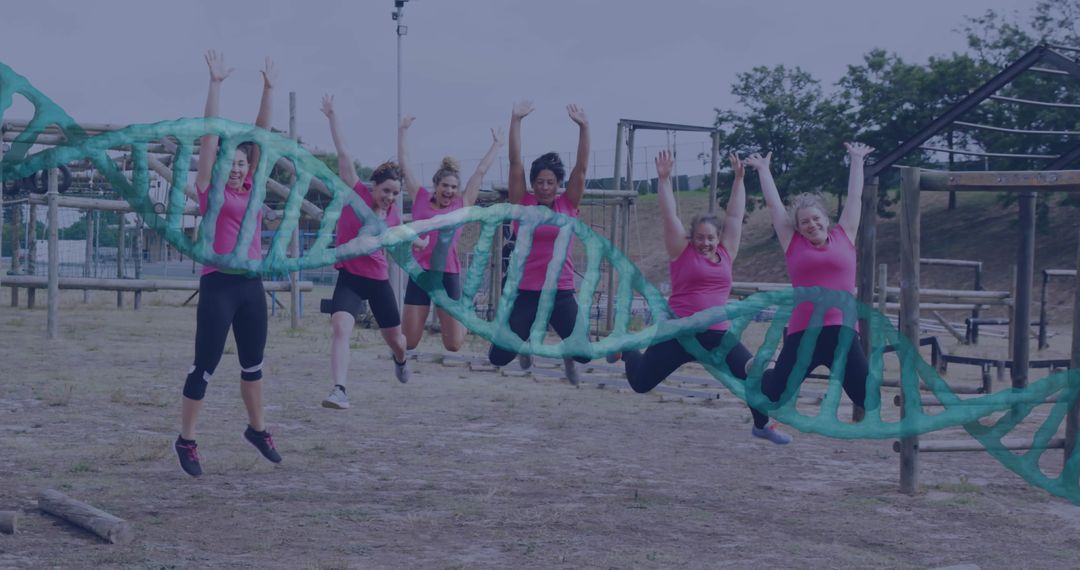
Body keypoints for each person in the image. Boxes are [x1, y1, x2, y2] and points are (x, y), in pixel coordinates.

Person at [620, 151, 778, 441]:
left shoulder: (727, 252)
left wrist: (739, 180)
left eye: (710, 238)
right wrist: (664, 180)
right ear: (691, 238)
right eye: (700, 237)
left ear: (718, 239)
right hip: (678, 333)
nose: (706, 242)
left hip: (717, 335)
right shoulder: (680, 252)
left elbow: (733, 215)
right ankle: (628, 350)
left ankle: (761, 425)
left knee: (750, 374)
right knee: (641, 383)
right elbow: (670, 215)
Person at [175, 51, 281, 478]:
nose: (237, 168)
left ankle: (257, 430)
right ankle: (186, 440)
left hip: (251, 285)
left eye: (242, 163)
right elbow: (208, 137)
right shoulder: (208, 189)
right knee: (205, 364)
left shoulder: (253, 188)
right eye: (231, 163)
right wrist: (215, 84)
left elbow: (261, 135)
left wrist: (269, 89)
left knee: (253, 364)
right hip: (219, 284)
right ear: (219, 167)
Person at [749, 142, 876, 443]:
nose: (811, 224)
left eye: (816, 218)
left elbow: (856, 197)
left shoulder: (845, 235)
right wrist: (765, 170)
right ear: (798, 227)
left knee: (867, 398)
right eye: (804, 221)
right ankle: (761, 370)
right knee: (775, 397)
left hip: (842, 331)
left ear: (826, 219)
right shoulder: (793, 244)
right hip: (804, 332)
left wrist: (856, 160)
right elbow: (774, 207)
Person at [487, 101, 591, 384]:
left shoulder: (567, 205)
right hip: (527, 291)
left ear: (558, 184)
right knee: (497, 357)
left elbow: (581, 168)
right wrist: (516, 120)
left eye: (550, 182)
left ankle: (567, 355)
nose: (544, 187)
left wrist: (584, 127)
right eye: (540, 182)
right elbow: (515, 162)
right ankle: (525, 344)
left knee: (585, 354)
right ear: (533, 183)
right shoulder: (523, 202)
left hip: (560, 291)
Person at [320, 94, 410, 411]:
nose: (390, 197)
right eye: (385, 191)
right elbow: (344, 152)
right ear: (373, 187)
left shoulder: (396, 216)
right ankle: (339, 389)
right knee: (341, 327)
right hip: (350, 277)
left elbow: (402, 243)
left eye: (395, 194)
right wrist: (332, 115)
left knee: (397, 342)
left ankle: (400, 359)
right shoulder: (356, 193)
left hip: (377, 280)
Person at [398, 116, 504, 352]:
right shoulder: (420, 198)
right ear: (436, 186)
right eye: (445, 186)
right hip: (420, 273)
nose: (449, 190)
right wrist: (403, 131)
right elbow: (405, 164)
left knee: (454, 345)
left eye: (454, 187)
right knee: (410, 342)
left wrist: (497, 144)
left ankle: (465, 311)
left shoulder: (462, 204)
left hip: (448, 274)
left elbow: (481, 171)